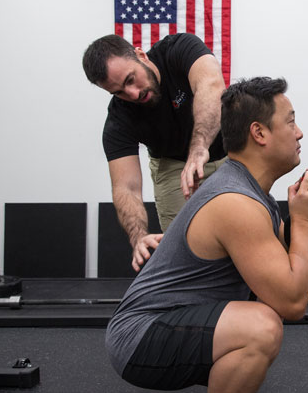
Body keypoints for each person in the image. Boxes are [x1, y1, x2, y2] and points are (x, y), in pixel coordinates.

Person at [104, 77, 308, 393]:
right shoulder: (235, 202)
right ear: (259, 133)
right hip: (139, 340)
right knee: (261, 327)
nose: (299, 132)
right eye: (291, 121)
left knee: (263, 308)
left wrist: (295, 227)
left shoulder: (251, 192)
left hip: (172, 322)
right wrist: (306, 224)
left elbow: (277, 285)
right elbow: (294, 303)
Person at [82, 33, 228, 272]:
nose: (132, 94)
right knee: (186, 252)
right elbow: (125, 187)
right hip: (171, 166)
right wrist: (138, 236)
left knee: (245, 230)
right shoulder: (119, 119)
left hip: (227, 152)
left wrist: (199, 148)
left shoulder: (178, 49)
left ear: (140, 55)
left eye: (131, 79)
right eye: (118, 92)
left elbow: (211, 86)